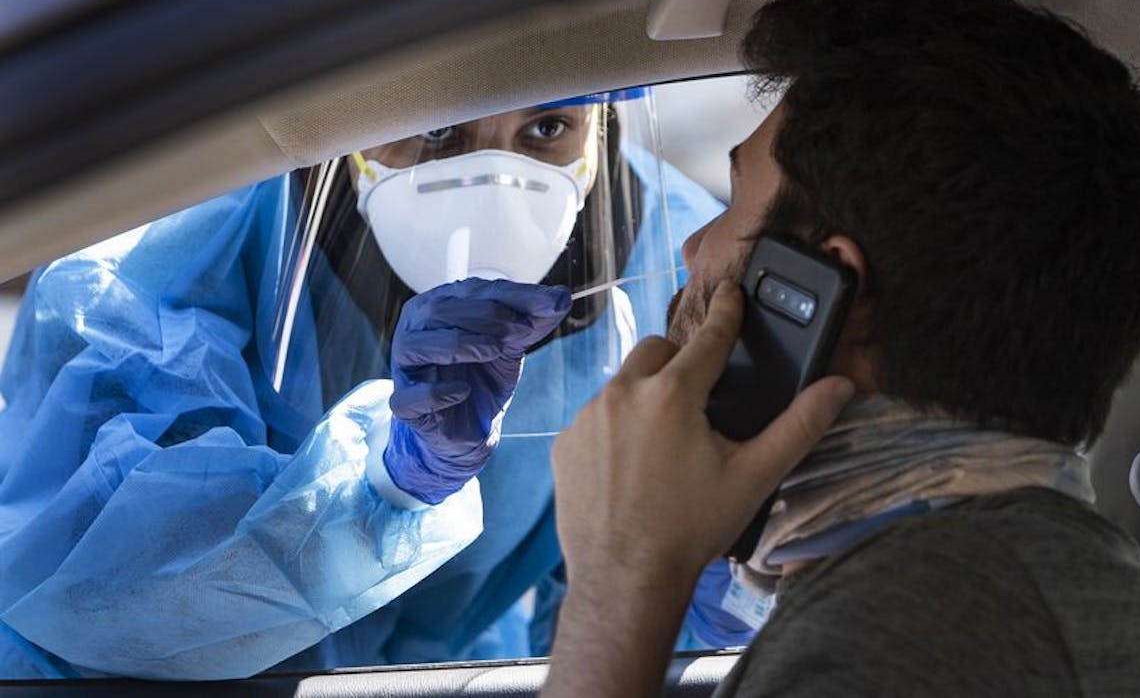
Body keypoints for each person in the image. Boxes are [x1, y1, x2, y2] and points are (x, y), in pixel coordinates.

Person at [545, 0, 1140, 696]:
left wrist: (619, 579)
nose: (692, 249)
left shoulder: (918, 628)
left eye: (736, 200)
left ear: (818, 289)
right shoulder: (1015, 574)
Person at [0, 90, 748, 680]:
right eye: (436, 131)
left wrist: (709, 594)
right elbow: (90, 597)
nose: (495, 179)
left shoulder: (671, 257)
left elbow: (608, 630)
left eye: (548, 129)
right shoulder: (161, 262)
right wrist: (383, 487)